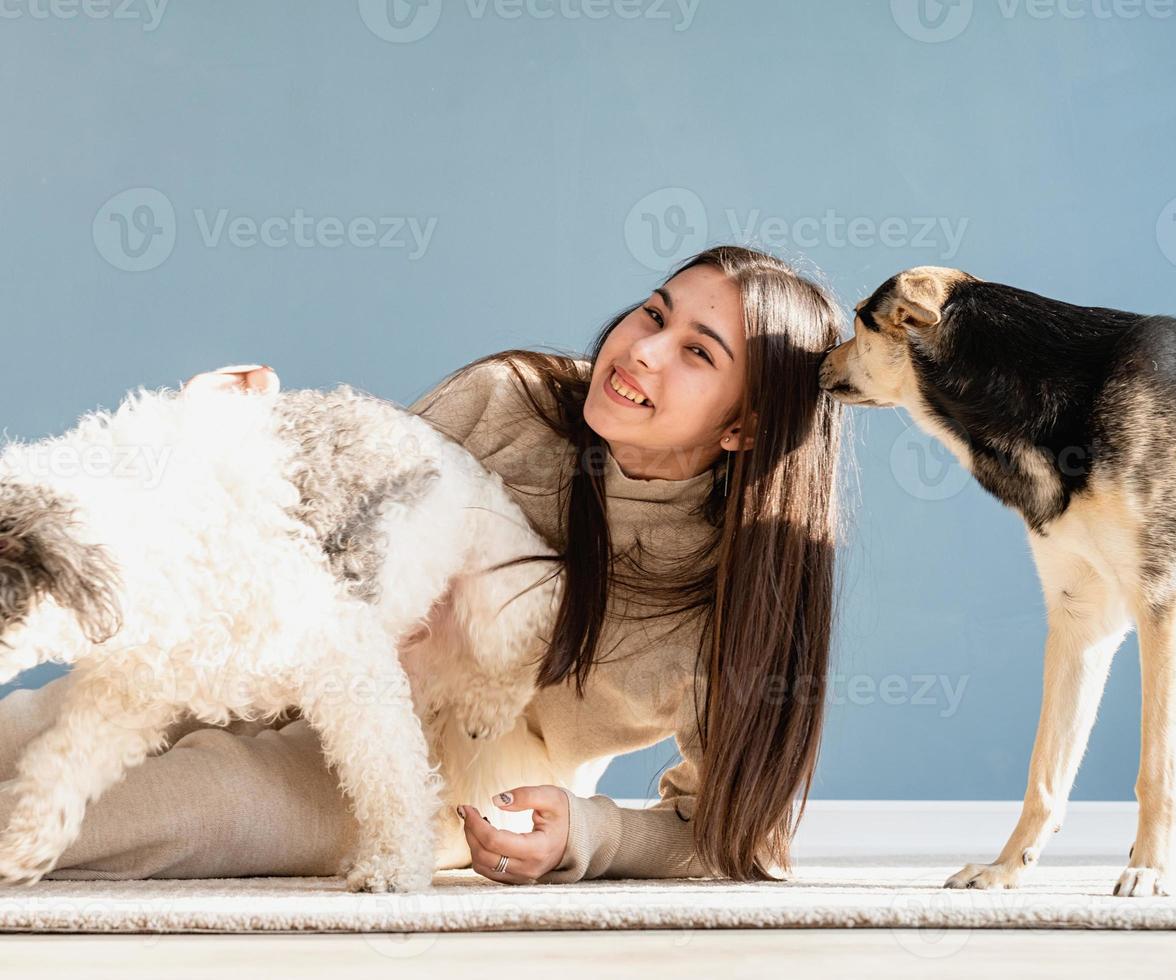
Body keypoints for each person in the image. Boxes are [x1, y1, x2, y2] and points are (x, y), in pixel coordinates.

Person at [0, 245, 844, 885]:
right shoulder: (509, 398)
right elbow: (348, 502)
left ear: (746, 427)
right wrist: (220, 437)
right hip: (297, 656)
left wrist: (592, 835)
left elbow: (734, 837)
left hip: (445, 779)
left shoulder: (723, 605)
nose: (644, 350)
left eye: (699, 353)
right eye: (655, 314)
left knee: (207, 797)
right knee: (55, 721)